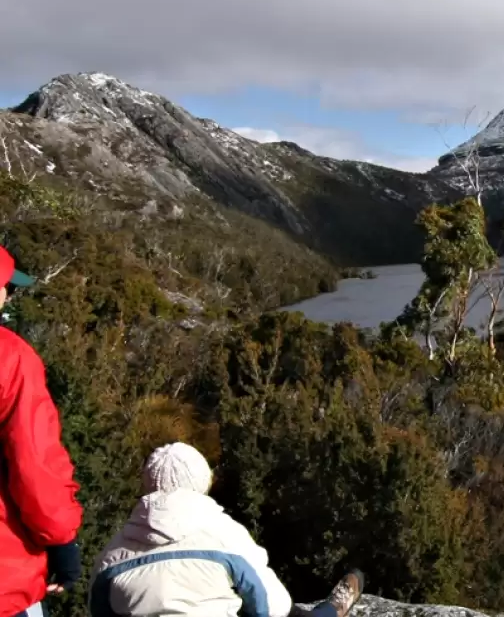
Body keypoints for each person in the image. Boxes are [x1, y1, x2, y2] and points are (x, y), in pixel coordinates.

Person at [88, 442, 364, 617]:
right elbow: (271, 607)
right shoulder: (224, 533)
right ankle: (332, 611)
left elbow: (98, 610)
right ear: (200, 481)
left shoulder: (112, 555)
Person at [0, 245, 85, 617]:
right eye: (8, 287)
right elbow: (34, 464)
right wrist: (63, 543)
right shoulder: (12, 359)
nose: (11, 295)